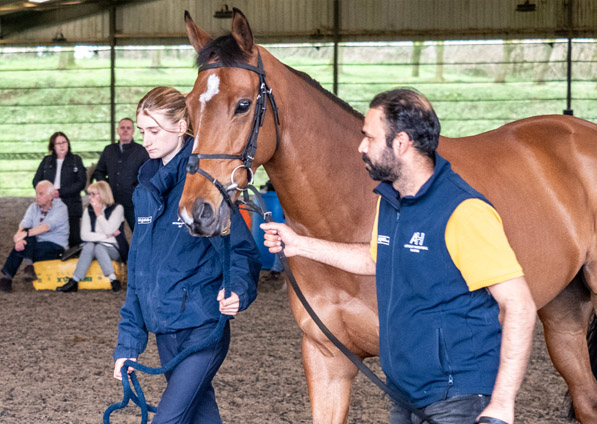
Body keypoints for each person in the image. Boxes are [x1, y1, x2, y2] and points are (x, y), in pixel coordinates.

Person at [262, 88, 537, 424]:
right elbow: (377, 258)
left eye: (369, 137)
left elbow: (519, 305)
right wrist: (301, 244)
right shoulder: (391, 201)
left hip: (457, 396)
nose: (361, 146)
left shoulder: (464, 211)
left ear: (401, 143)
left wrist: (503, 403)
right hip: (405, 393)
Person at [112, 86, 260, 423]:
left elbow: (241, 252)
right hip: (165, 328)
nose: (145, 140)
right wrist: (128, 346)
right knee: (199, 415)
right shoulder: (144, 193)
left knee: (169, 419)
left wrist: (237, 289)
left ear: (181, 127)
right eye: (142, 131)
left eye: (154, 131)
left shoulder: (204, 187)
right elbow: (138, 274)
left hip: (203, 328)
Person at [56, 181, 127, 293]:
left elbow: (109, 229)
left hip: (114, 248)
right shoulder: (87, 211)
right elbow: (84, 235)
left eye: (94, 194)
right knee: (90, 245)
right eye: (89, 194)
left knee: (98, 246)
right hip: (94, 246)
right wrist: (107, 236)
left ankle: (75, 281)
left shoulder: (117, 209)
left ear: (103, 194)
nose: (90, 197)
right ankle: (77, 281)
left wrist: (98, 213)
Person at [0, 180, 69, 293]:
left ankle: (8, 277)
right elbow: (24, 224)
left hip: (55, 246)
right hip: (35, 244)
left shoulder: (61, 208)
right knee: (25, 237)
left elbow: (47, 227)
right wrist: (18, 237)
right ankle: (28, 266)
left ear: (51, 196)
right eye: (36, 193)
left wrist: (24, 235)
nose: (37, 197)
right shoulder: (33, 207)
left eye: (41, 194)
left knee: (28, 237)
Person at [92, 117, 149, 232]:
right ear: (118, 130)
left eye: (128, 128)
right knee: (113, 232)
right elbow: (99, 171)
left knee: (139, 231)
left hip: (133, 200)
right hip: (111, 200)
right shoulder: (108, 150)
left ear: (133, 131)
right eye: (122, 128)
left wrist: (136, 189)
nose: (125, 130)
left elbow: (147, 175)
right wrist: (106, 187)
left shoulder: (141, 151)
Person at [33, 131, 86, 247]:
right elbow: (36, 181)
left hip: (71, 204)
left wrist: (60, 192)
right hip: (49, 204)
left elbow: (81, 182)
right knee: (48, 234)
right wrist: (47, 192)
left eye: (64, 142)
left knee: (74, 237)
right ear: (53, 146)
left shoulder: (76, 160)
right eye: (58, 143)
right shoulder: (46, 160)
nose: (62, 145)